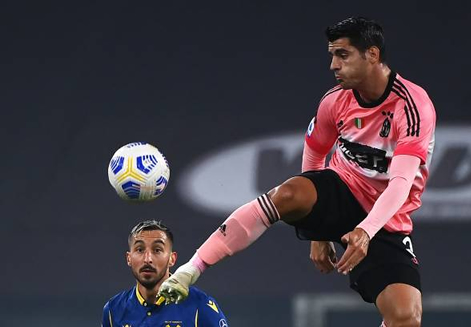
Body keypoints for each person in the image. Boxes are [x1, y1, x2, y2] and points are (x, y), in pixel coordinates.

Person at [160, 17, 436, 327]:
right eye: (332, 55)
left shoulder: (412, 107)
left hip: (385, 218)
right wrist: (317, 232)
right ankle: (190, 269)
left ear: (372, 55)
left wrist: (366, 231)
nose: (333, 65)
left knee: (406, 317)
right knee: (289, 193)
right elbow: (316, 150)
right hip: (342, 189)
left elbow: (400, 183)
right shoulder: (334, 101)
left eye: (342, 55)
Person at [101, 220, 228, 327]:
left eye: (157, 250)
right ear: (129, 258)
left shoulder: (200, 306)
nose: (147, 259)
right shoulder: (113, 310)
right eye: (139, 250)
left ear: (172, 259)